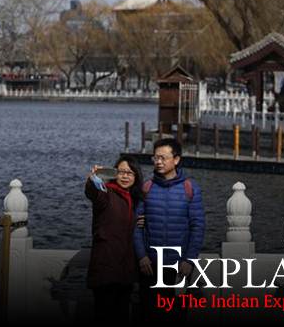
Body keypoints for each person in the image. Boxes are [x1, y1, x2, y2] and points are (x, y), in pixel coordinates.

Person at [134, 137, 205, 321]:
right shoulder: (147, 187)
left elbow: (198, 227)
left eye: (163, 158)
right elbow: (136, 226)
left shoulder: (190, 188)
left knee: (176, 317)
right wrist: (141, 256)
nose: (158, 162)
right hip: (150, 266)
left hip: (179, 267)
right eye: (155, 157)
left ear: (176, 159)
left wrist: (189, 260)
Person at [84, 155, 144, 323]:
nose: (125, 176)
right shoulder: (106, 192)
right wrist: (93, 178)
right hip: (105, 269)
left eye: (130, 173)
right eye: (121, 172)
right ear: (114, 174)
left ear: (136, 176)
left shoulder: (134, 199)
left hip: (125, 271)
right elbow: (93, 192)